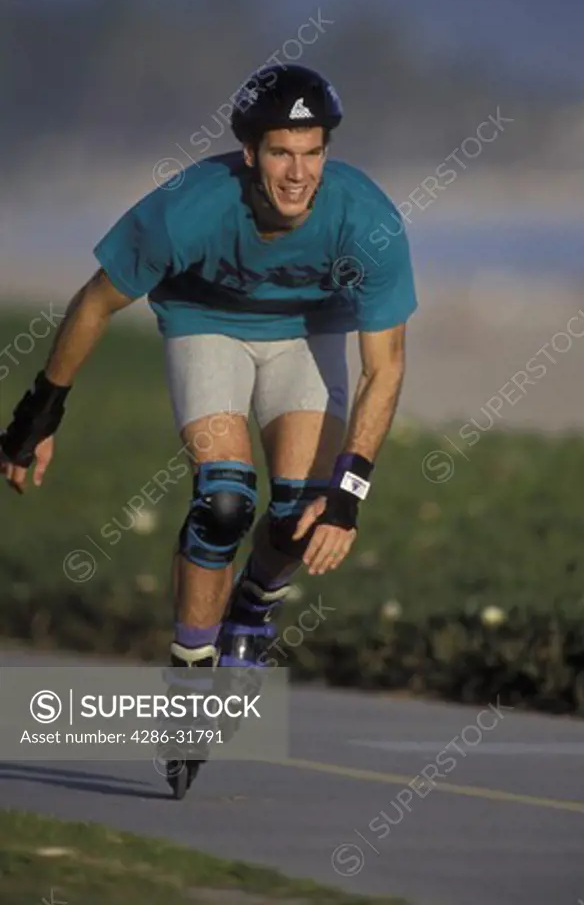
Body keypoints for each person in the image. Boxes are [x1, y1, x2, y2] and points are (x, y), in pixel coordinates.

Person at [0, 64, 417, 676]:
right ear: (249, 152)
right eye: (281, 153)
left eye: (312, 153)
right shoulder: (188, 209)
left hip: (309, 331)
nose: (299, 174)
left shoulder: (368, 222)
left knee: (303, 511)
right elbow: (95, 302)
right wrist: (39, 412)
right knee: (224, 501)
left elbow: (384, 369)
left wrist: (348, 495)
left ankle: (255, 604)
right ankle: (191, 660)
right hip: (206, 324)